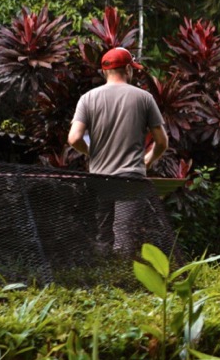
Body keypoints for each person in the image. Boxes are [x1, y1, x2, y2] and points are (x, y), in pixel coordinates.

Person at [68, 47, 169, 255]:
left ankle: (104, 282)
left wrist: (91, 153)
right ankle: (123, 282)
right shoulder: (144, 98)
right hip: (130, 179)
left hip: (99, 178)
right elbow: (161, 142)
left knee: (102, 237)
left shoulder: (87, 99)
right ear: (128, 70)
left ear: (105, 71)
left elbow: (74, 138)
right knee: (125, 236)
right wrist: (147, 161)